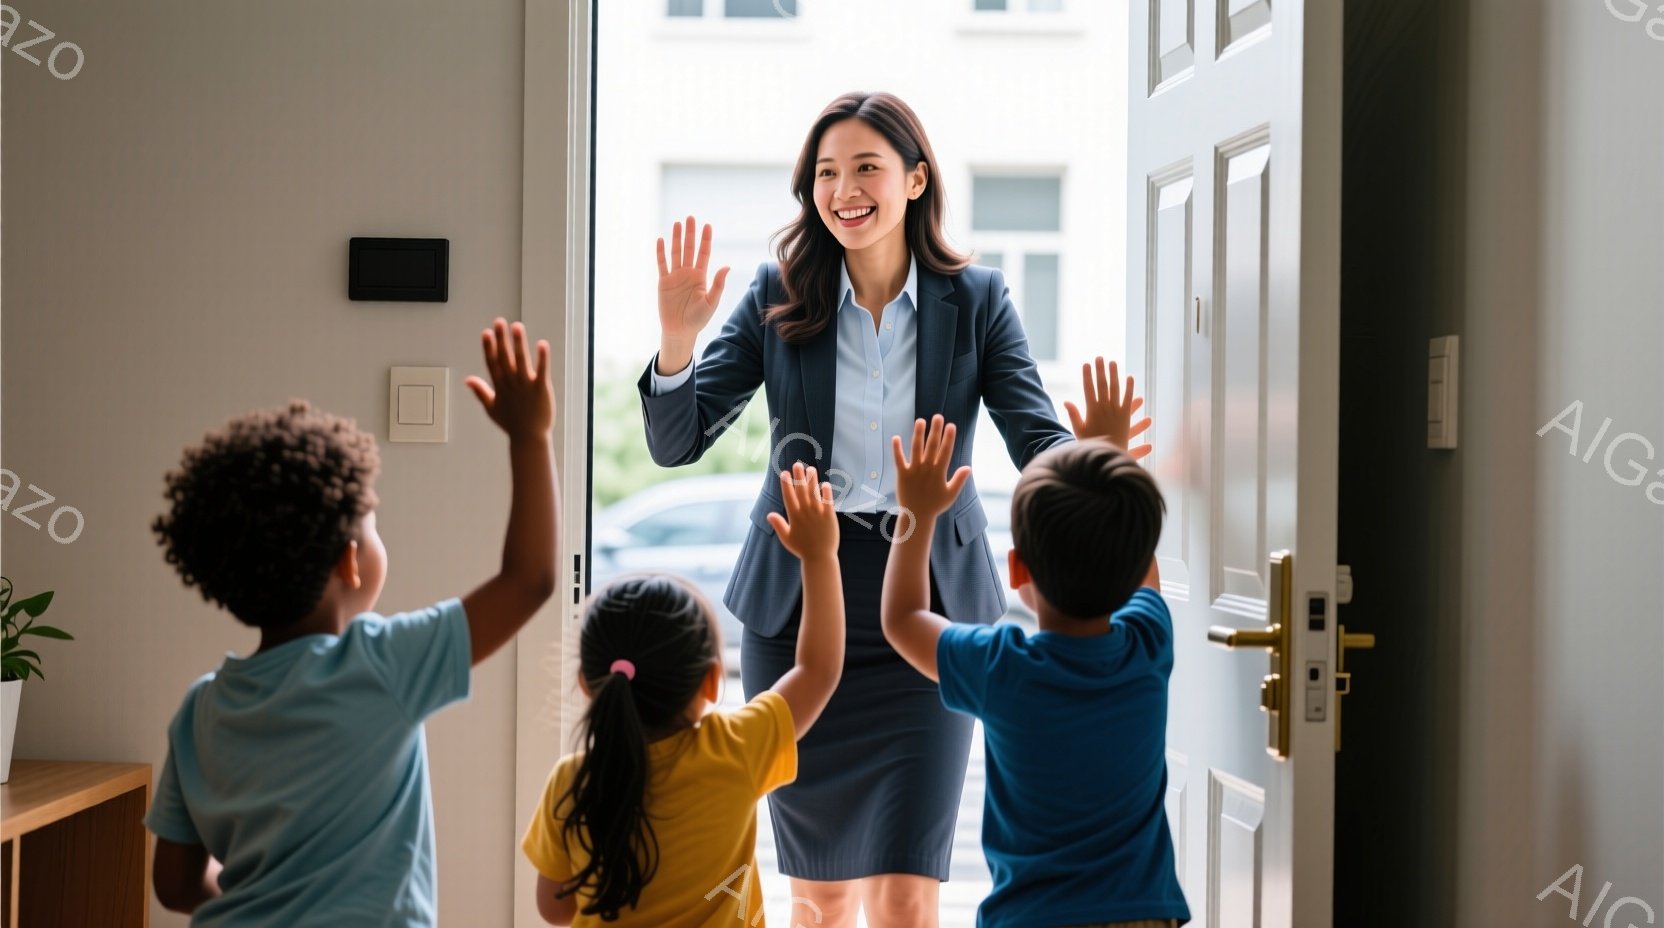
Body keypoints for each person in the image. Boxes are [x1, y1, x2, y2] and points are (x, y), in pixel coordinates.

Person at [639, 90, 1150, 926]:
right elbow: (677, 441)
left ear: (915, 180)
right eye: (826, 173)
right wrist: (675, 343)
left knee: (911, 896)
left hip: (929, 608)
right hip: (802, 603)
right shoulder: (778, 292)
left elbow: (1033, 439)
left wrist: (1101, 458)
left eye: (867, 168)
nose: (844, 189)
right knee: (819, 896)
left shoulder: (976, 300)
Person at [144, 320, 559, 926]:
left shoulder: (200, 710)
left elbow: (175, 884)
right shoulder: (379, 663)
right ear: (349, 560)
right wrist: (531, 436)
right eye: (371, 523)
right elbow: (530, 581)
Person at [880, 404, 1190, 927]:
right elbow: (1142, 568)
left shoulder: (1002, 668)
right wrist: (1109, 454)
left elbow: (904, 619)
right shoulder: (1147, 643)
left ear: (1017, 570)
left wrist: (917, 511)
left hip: (1032, 916)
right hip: (1141, 914)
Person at [521, 463, 845, 927]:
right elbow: (819, 669)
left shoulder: (574, 780)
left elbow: (554, 908)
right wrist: (820, 556)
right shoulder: (735, 749)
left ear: (587, 686)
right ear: (712, 683)